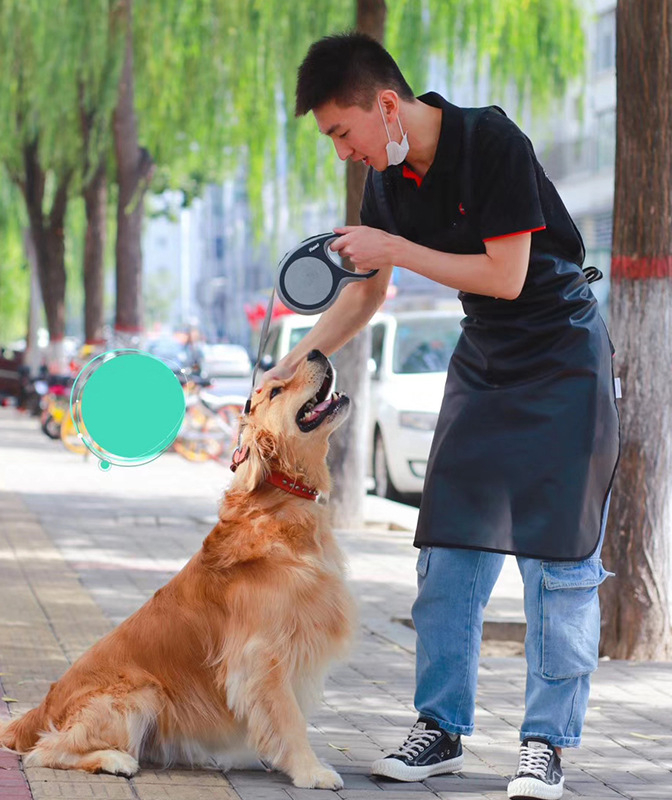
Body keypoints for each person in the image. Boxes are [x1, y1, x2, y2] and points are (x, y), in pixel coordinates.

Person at [259, 33, 620, 800]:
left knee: (559, 561)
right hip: (486, 360)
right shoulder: (387, 180)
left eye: (340, 132)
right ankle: (442, 728)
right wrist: (298, 361)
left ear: (385, 106)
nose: (342, 152)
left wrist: (393, 243)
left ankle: (544, 745)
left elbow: (507, 273)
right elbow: (365, 293)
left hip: (560, 355)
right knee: (448, 548)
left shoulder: (490, 138)